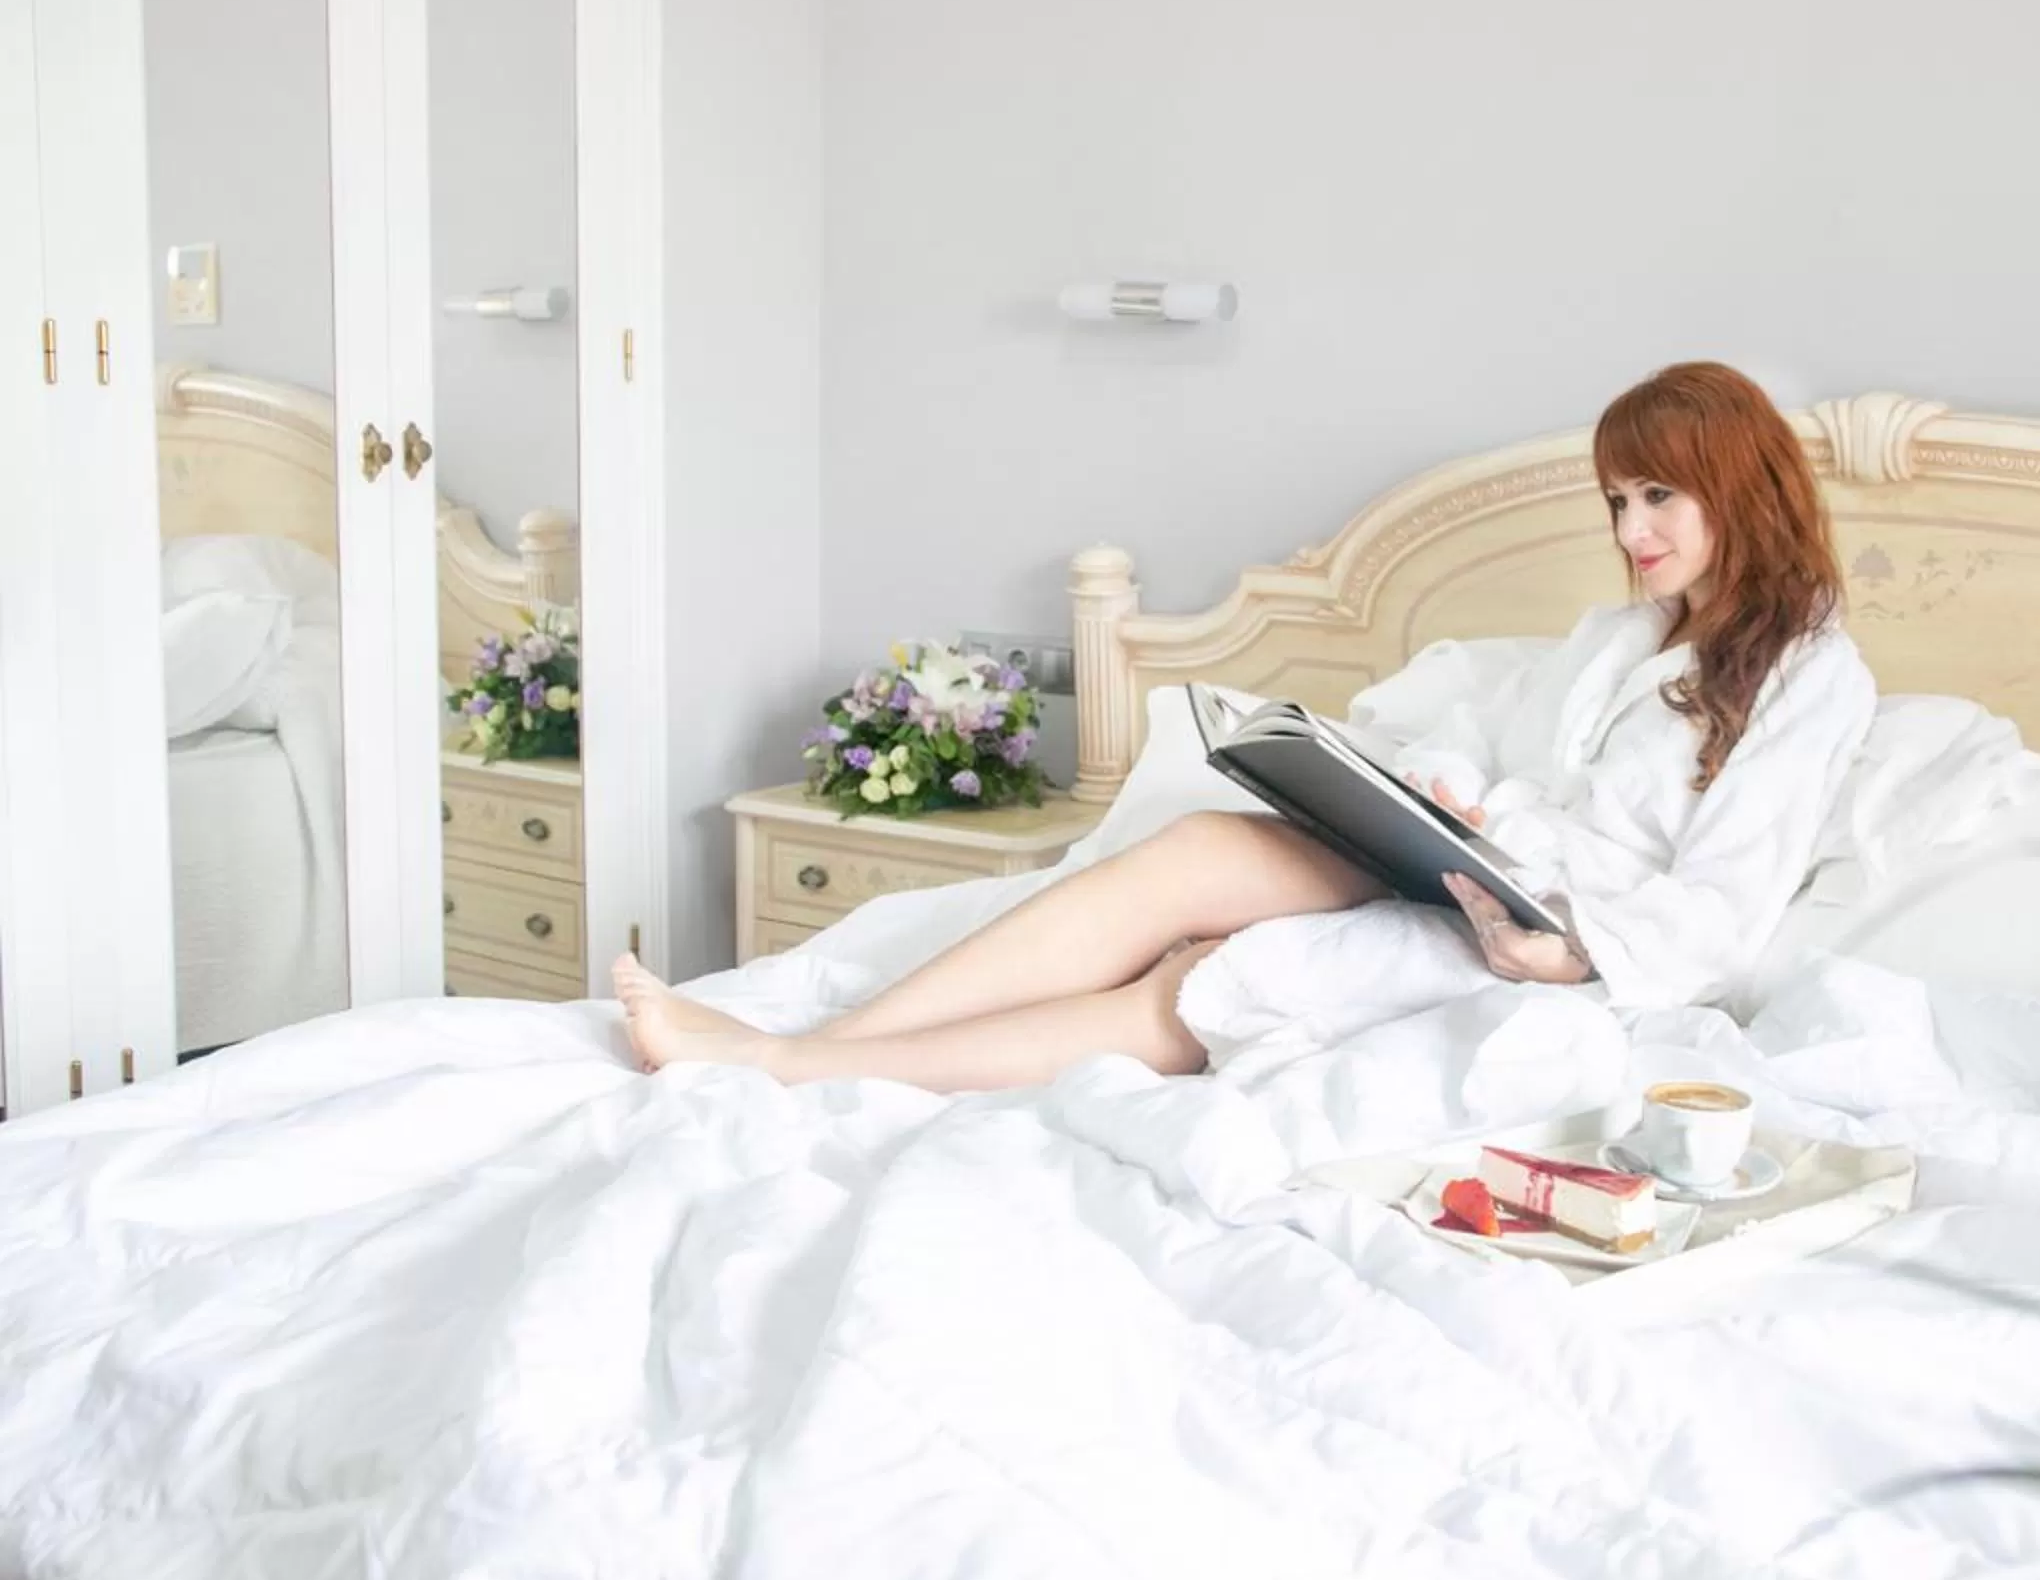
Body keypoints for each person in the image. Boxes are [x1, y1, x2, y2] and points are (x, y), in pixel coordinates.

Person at [612, 360, 1877, 1088]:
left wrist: (1572, 952)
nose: (1630, 530)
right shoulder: (1617, 639)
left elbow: (1723, 908)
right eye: (1615, 499)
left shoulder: (1815, 676)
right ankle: (807, 1037)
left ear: (1738, 487)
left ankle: (793, 1076)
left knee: (1210, 979)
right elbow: (1498, 760)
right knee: (1196, 853)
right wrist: (1444, 796)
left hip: (1565, 946)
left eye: (1658, 495)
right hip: (1480, 865)